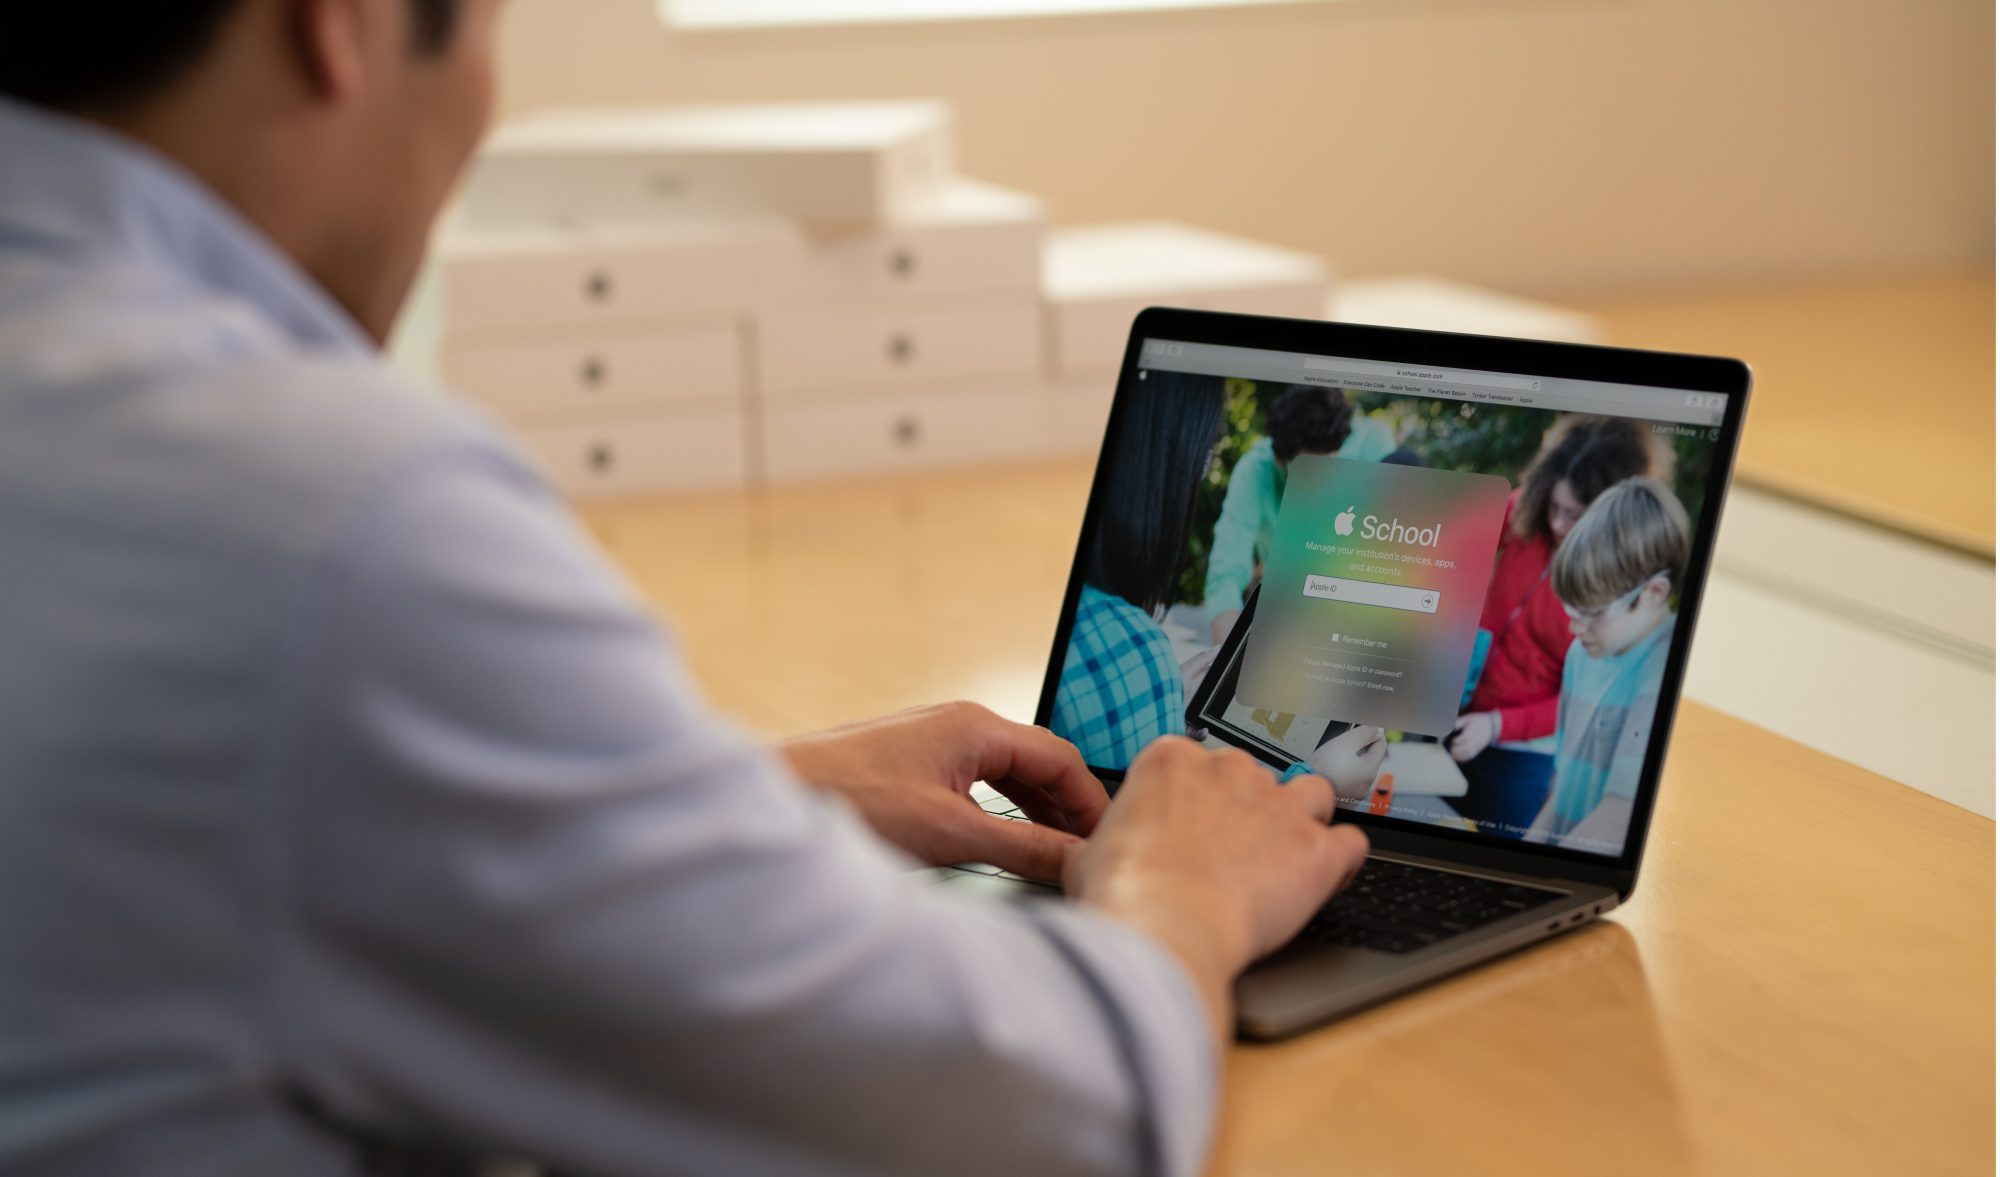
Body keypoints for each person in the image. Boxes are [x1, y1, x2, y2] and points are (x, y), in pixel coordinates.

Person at [0, 5, 1372, 1175]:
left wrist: (698, 809)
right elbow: (1044, 1120)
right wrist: (1182, 888)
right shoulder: (325, 512)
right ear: (334, 23)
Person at [1443, 415, 1665, 831]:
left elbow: (1581, 697)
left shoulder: (1621, 595)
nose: (1559, 525)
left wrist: (1497, 726)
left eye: (1576, 516)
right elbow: (1453, 552)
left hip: (1521, 755)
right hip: (1454, 708)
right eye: (1555, 508)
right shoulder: (1525, 511)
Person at [1051, 371, 1225, 770]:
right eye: (1206, 454)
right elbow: (1157, 828)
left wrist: (1152, 704)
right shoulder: (1135, 641)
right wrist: (1321, 780)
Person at [1525, 478, 1690, 853]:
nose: (1574, 626)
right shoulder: (1583, 654)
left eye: (1592, 612)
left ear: (1653, 593)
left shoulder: (1665, 667)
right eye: (1571, 609)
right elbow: (1562, 786)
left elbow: (1620, 814)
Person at [1202, 384, 1362, 643]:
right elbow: (1226, 573)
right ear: (1281, 459)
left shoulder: (1361, 457)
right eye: (1307, 473)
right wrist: (1224, 663)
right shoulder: (1255, 471)